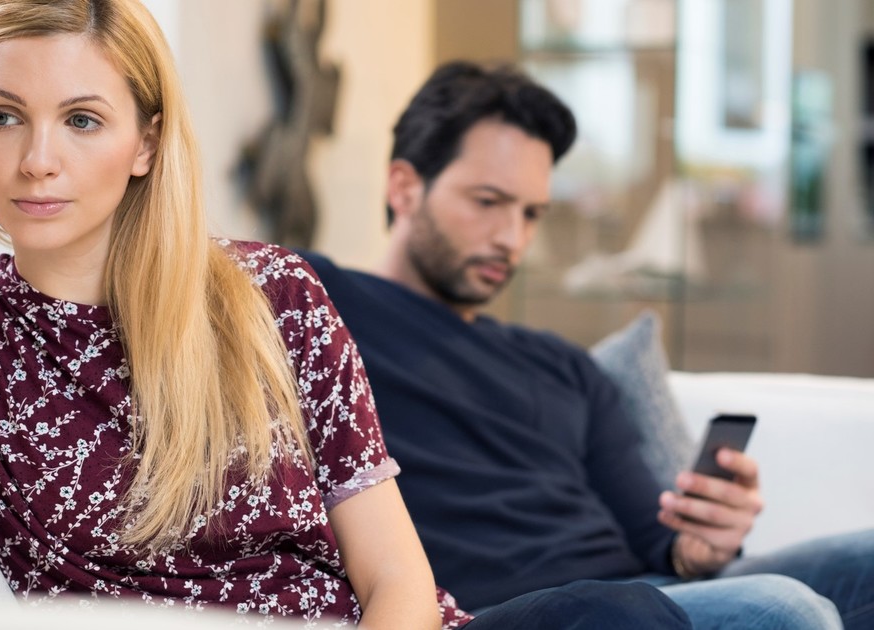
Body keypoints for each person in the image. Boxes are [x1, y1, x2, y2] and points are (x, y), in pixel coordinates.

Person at [0, 2, 694, 628]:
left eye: (82, 119)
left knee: (624, 615)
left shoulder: (268, 294)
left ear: (144, 143)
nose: (38, 159)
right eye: (2, 117)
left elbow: (394, 577)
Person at [300, 61, 874, 629]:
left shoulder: (565, 365)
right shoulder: (320, 307)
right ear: (404, 187)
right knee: (782, 608)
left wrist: (701, 543)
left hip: (651, 597)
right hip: (511, 611)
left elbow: (658, 540)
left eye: (532, 214)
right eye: (488, 201)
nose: (512, 238)